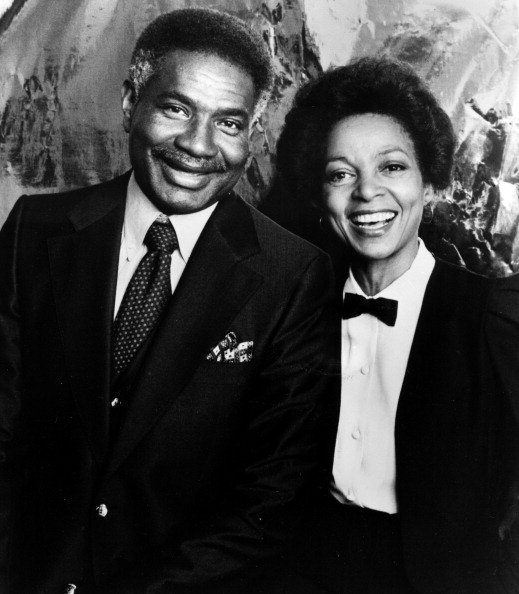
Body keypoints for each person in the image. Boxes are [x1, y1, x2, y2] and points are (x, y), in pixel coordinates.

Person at [0, 9, 336, 593]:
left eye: (229, 123)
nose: (198, 146)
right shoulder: (36, 229)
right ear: (132, 101)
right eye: (176, 108)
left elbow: (271, 497)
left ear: (253, 136)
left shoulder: (294, 275)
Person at [271, 57, 519, 593]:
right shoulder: (295, 305)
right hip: (307, 571)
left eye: (391, 167)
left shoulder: (491, 316)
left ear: (430, 183)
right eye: (341, 173)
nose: (366, 193)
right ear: (319, 197)